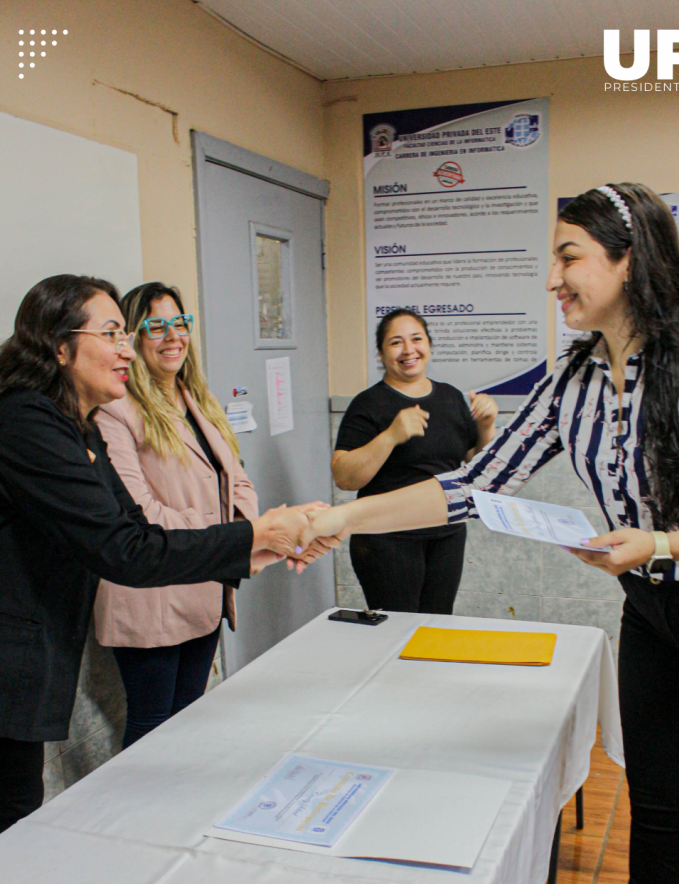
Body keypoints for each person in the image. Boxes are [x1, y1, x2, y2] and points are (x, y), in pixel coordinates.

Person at [303, 184, 679, 884]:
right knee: (654, 819)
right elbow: (472, 486)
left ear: (630, 260)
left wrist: (657, 546)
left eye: (569, 257)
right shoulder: (576, 376)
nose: (554, 279)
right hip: (651, 621)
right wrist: (341, 517)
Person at [0, 275, 328, 833]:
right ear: (59, 346)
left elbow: (130, 528)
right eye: (113, 333)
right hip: (16, 652)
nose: (126, 348)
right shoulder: (26, 421)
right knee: (15, 812)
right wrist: (259, 536)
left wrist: (269, 541)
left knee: (18, 805)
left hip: (38, 651)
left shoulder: (74, 423)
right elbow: (126, 547)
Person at [93, 282, 262, 747]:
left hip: (204, 585)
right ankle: (141, 817)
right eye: (157, 325)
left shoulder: (194, 399)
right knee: (152, 726)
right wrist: (227, 535)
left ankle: (176, 815)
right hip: (151, 593)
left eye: (180, 323)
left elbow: (236, 479)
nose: (173, 336)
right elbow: (140, 512)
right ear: (132, 336)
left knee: (190, 718)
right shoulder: (116, 410)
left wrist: (247, 528)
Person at [332, 309, 497, 613]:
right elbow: (344, 477)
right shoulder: (368, 404)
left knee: (436, 629)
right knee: (398, 632)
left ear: (429, 346)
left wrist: (486, 426)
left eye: (416, 339)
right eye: (396, 342)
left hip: (446, 535)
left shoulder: (449, 397)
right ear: (381, 353)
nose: (409, 350)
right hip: (386, 541)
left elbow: (477, 463)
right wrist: (391, 436)